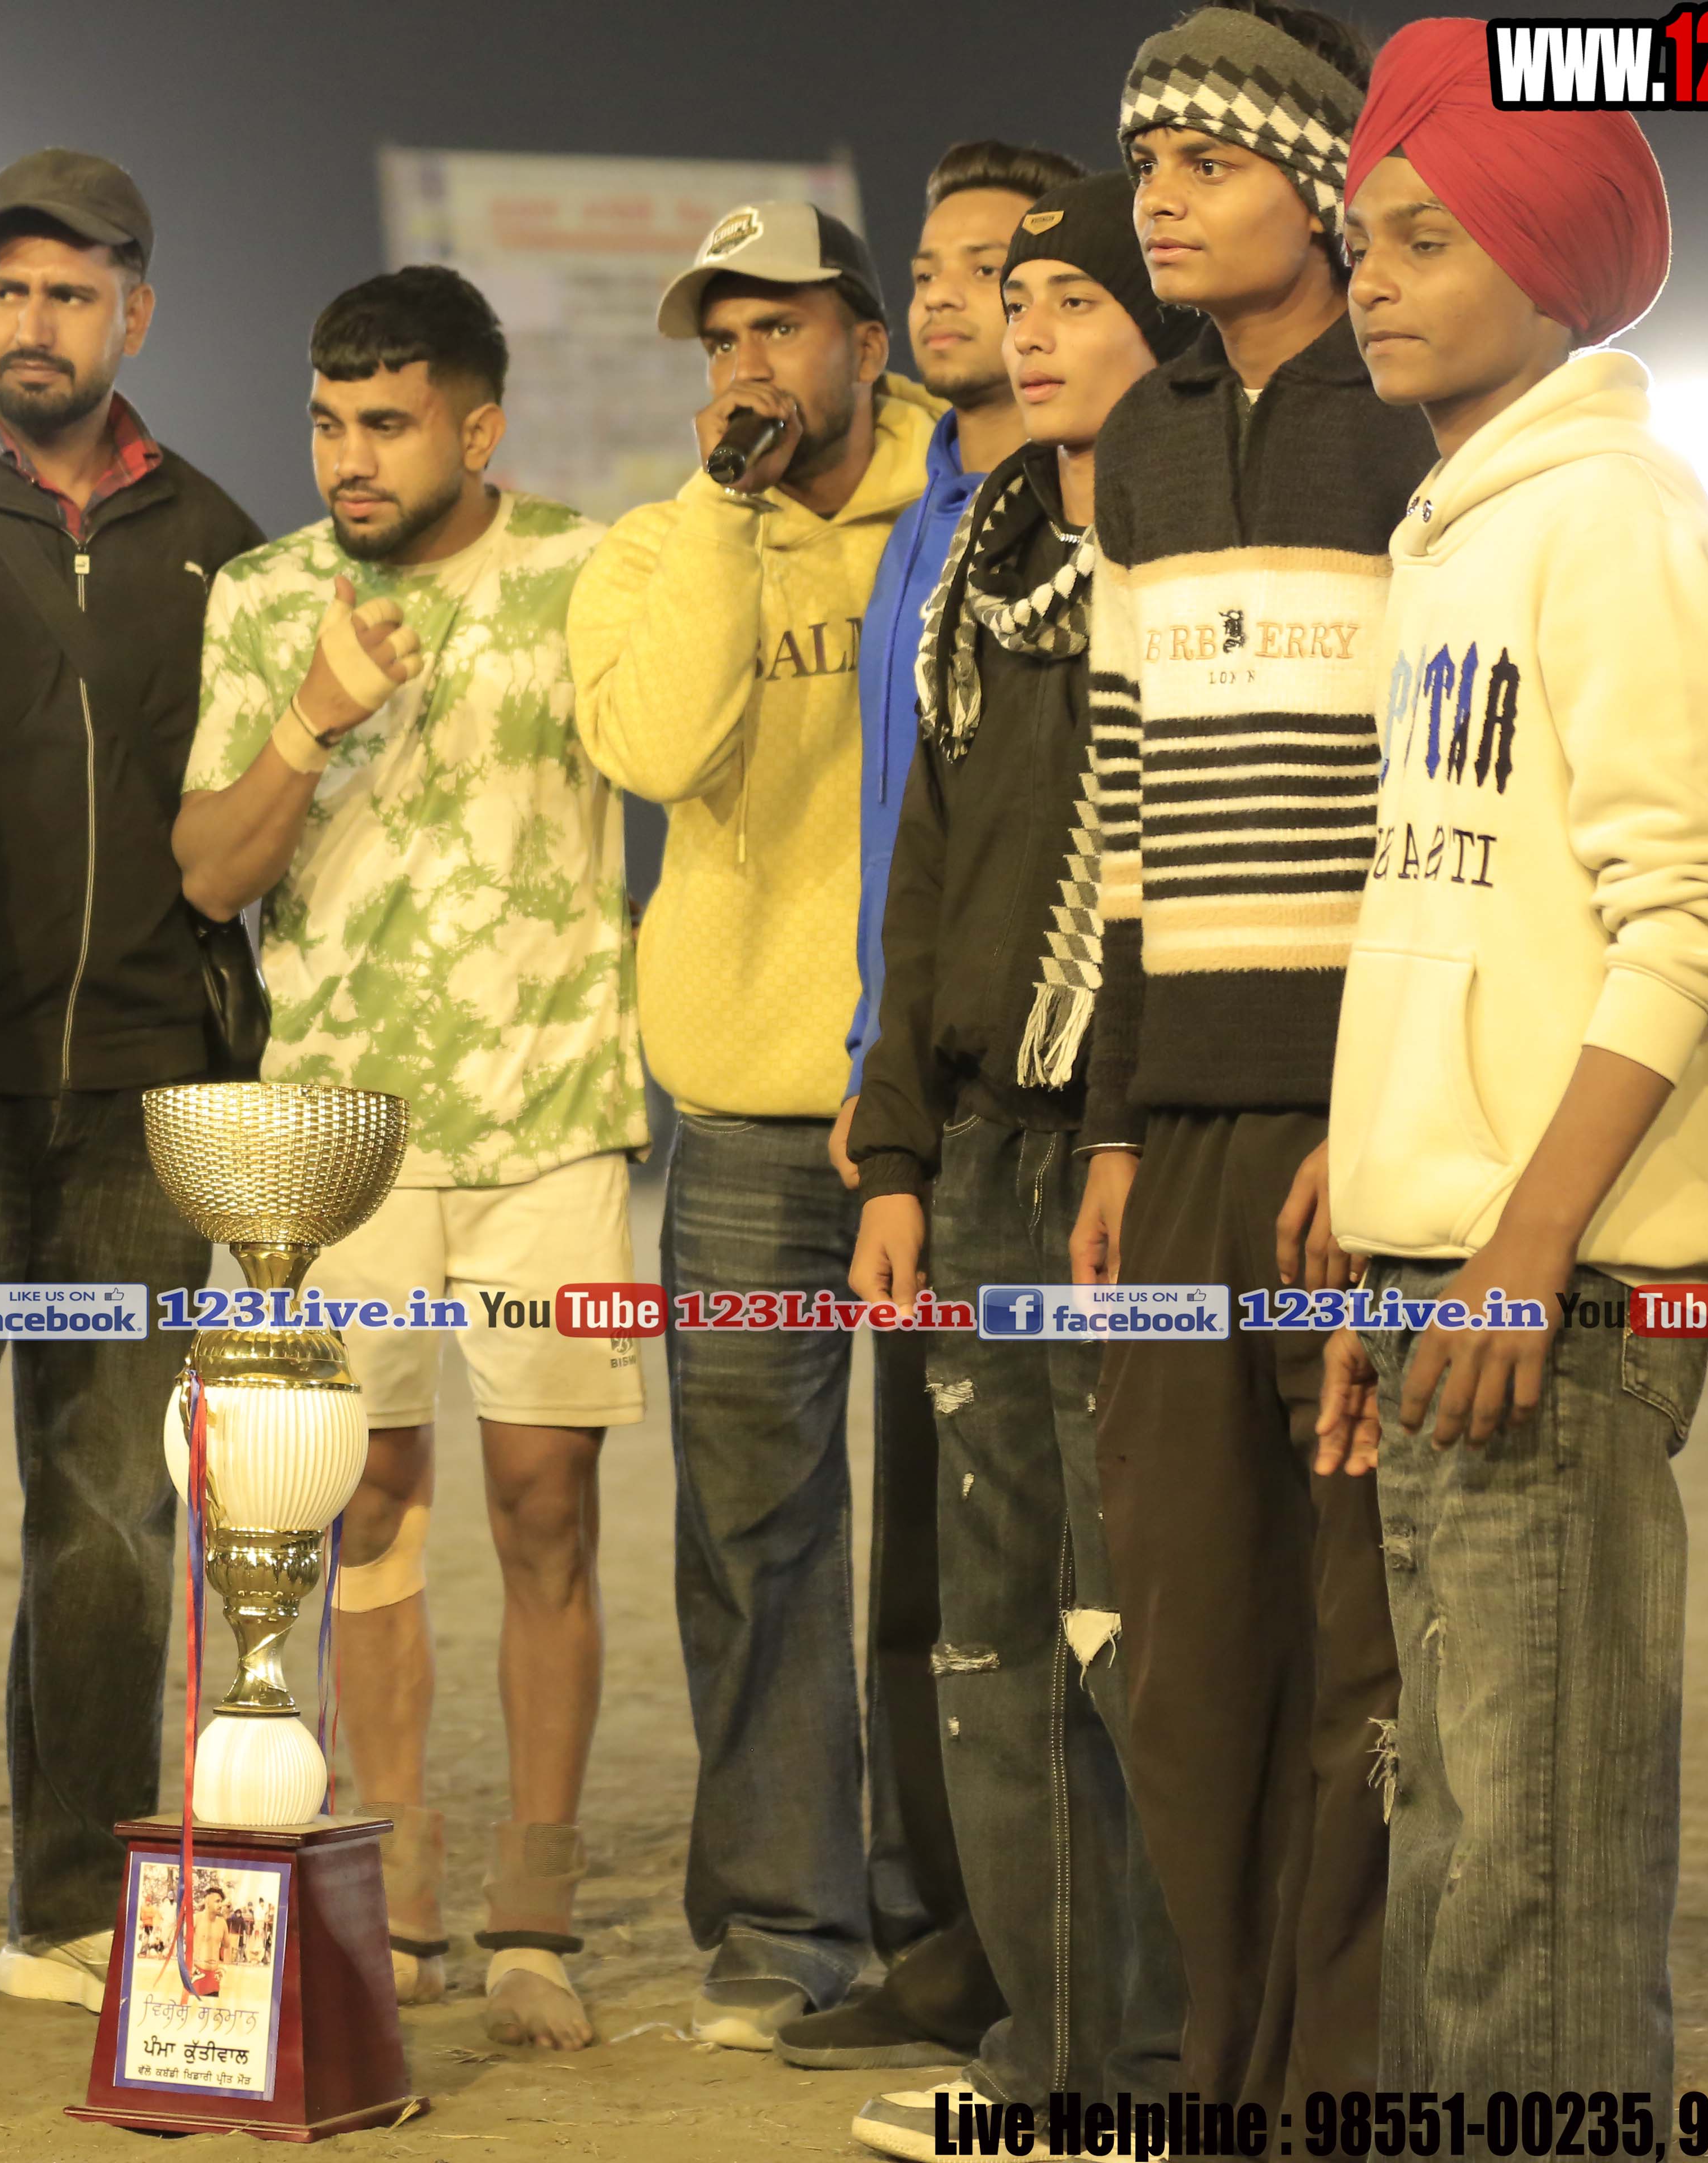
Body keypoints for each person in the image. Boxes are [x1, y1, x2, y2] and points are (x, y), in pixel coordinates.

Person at [1313, 24, 1708, 2099]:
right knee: (1457, 1854)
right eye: (1363, 240)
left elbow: (1697, 918)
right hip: (1461, 1274)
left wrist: (1519, 1246)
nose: (1375, 280)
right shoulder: (1452, 535)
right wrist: (1395, 1226)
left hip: (1560, 1299)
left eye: (1426, 238)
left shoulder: (1618, 519)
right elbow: (1450, 922)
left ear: (1549, 262)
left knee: (1536, 1879)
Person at [176, 265, 644, 2051]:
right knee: (358, 1501)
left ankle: (538, 1912)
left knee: (546, 1507)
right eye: (328, 422)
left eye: (387, 423)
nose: (350, 457)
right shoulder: (263, 596)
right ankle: (402, 1881)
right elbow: (209, 873)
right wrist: (312, 715)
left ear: (479, 427)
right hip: (334, 1140)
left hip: (557, 1123)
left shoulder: (590, 574)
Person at [1063, 2, 1437, 2107]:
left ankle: (1339, 2089)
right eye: (1147, 167)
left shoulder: (1415, 423)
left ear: (1313, 179)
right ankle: (1219, 2064)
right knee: (1191, 1652)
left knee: (1354, 1645)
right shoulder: (1141, 442)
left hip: (1349, 1126)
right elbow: (1125, 817)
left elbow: (1432, 825)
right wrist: (1117, 1129)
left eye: (1204, 164)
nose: (1162, 203)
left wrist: (1373, 1121)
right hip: (1183, 1136)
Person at [0, 147, 261, 2027]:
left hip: (140, 1104)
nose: (36, 322)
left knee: (109, 1521)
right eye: (7, 289)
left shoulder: (220, 539)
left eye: (73, 293)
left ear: (134, 315)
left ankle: (77, 1899)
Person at [843, 172, 1200, 2158]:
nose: (1032, 327)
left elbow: (1174, 891)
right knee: (987, 1644)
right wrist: (896, 1148)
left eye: (1076, 296)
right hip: (978, 1153)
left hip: (1120, 1159)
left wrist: (1127, 1125)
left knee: (1127, 1629)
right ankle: (1041, 2063)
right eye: (1019, 293)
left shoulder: (1199, 542)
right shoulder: (981, 560)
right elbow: (925, 879)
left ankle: (1154, 2073)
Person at [569, 202, 947, 2049]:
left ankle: (954, 1921)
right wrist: (729, 518)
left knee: (963, 1540)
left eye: (780, 330)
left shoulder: (969, 516)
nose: (745, 370)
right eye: (720, 341)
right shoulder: (659, 546)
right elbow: (656, 751)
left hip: (944, 1114)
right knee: (757, 1540)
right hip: (737, 1118)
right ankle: (787, 1928)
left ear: (870, 341)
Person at [797, 139, 1082, 2080]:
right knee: (926, 1557)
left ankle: (1053, 1961)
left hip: (1049, 1105)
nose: (959, 295)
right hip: (920, 1088)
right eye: (941, 264)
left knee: (1045, 1569)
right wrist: (877, 1079)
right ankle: (952, 1926)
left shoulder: (1077, 512)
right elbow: (910, 840)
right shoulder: (929, 524)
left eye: (1009, 267)